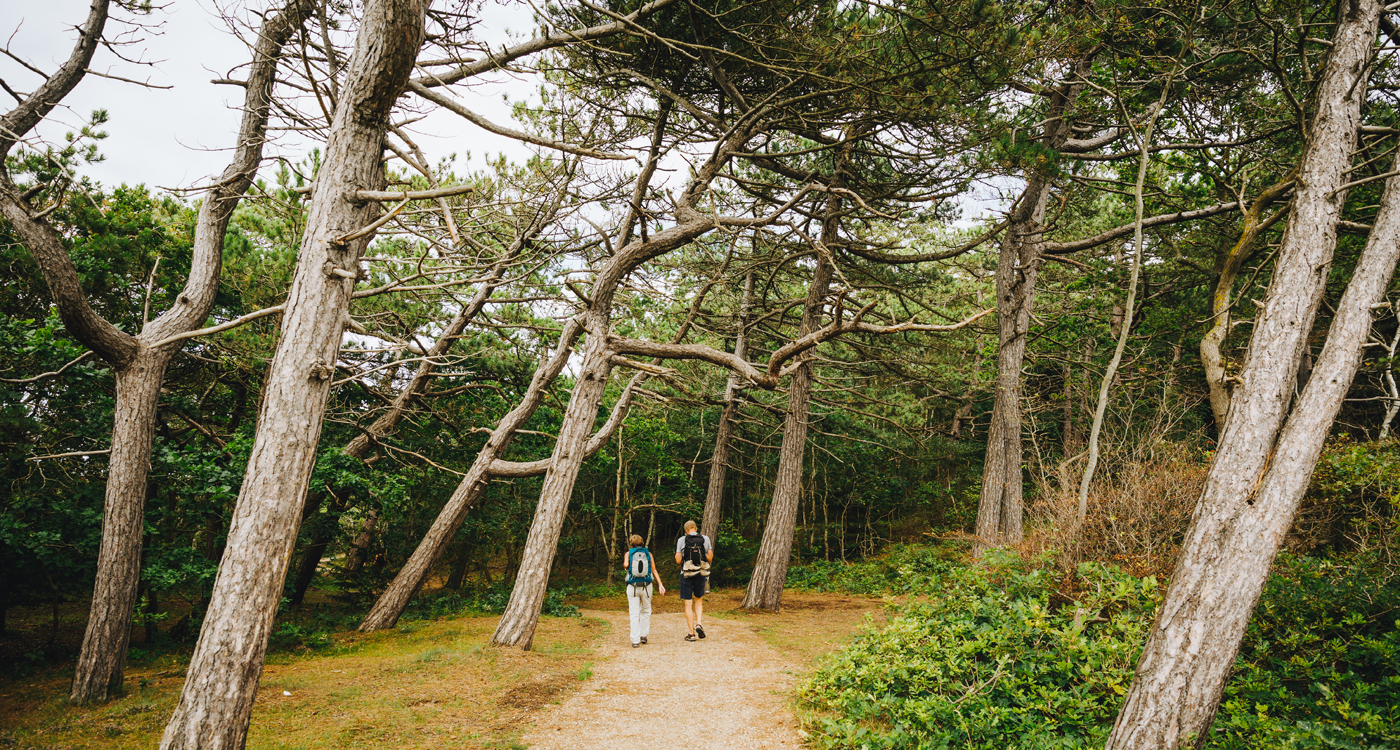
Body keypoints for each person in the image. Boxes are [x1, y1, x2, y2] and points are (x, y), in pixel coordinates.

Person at [674, 520, 713, 641]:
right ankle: (699, 624)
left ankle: (691, 634)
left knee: (688, 603)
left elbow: (678, 560)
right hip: (700, 573)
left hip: (686, 574)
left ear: (686, 530)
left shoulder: (681, 540)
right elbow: (709, 557)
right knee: (699, 600)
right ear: (696, 528)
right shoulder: (705, 538)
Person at [622, 534, 664, 647]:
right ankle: (643, 635)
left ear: (631, 543)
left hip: (633, 587)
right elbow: (654, 570)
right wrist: (660, 584)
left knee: (634, 613)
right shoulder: (648, 554)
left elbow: (626, 565)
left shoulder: (628, 553)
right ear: (642, 542)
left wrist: (628, 565)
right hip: (646, 586)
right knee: (646, 611)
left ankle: (635, 641)